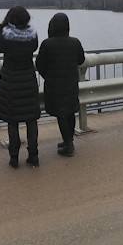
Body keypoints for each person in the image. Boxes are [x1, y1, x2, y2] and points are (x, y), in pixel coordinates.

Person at [0, 6, 41, 167]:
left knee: (12, 121)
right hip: (28, 80)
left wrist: (1, 26)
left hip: (10, 82)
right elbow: (34, 47)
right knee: (31, 120)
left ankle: (14, 158)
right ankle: (33, 156)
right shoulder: (32, 36)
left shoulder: (6, 36)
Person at [36, 13, 86, 157]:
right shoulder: (75, 42)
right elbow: (81, 60)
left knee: (61, 114)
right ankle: (68, 141)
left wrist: (48, 76)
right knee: (70, 112)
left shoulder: (47, 44)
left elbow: (39, 64)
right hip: (71, 83)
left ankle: (68, 145)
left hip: (54, 85)